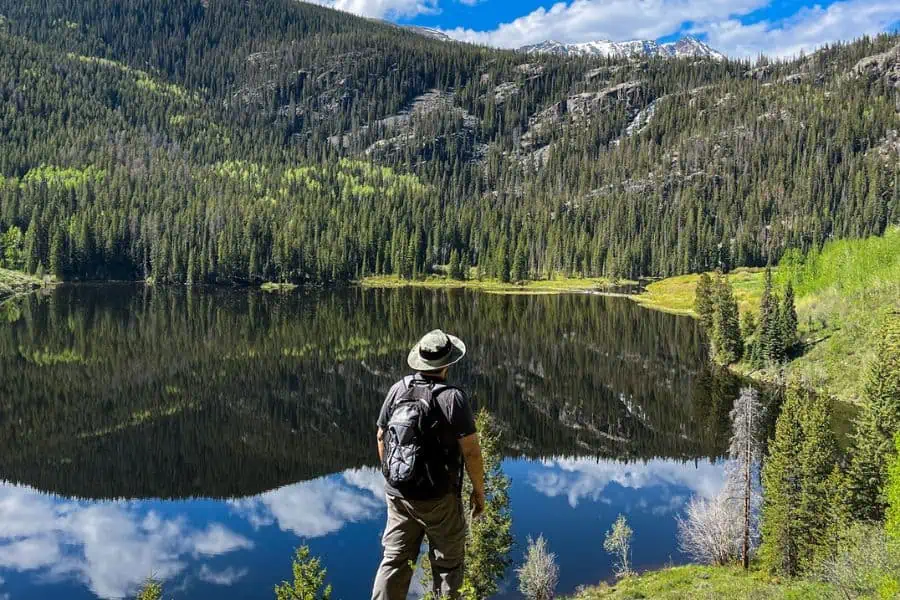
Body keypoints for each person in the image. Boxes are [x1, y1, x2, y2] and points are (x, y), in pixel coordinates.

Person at [371, 329, 486, 600]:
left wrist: (393, 476)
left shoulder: (397, 389)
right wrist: (479, 492)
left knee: (394, 560)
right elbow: (471, 452)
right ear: (447, 364)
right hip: (439, 498)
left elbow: (381, 435)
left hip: (398, 493)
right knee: (447, 564)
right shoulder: (452, 398)